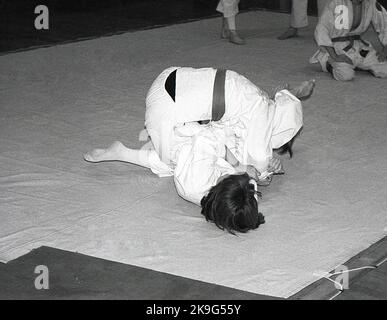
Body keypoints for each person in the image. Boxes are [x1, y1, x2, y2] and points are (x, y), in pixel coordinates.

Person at [84, 67, 315, 233]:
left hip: (172, 100)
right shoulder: (218, 192)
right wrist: (260, 175)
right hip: (188, 94)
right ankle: (284, 100)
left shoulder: (200, 182)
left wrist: (246, 167)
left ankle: (285, 100)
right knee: (253, 158)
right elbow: (242, 179)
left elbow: (211, 135)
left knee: (255, 158)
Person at [310, 0, 387, 81]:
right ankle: (326, 61)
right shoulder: (335, 2)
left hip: (359, 47)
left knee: (384, 70)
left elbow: (385, 25)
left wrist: (385, 51)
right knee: (345, 75)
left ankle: (356, 63)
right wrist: (334, 56)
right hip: (336, 47)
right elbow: (321, 29)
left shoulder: (371, 3)